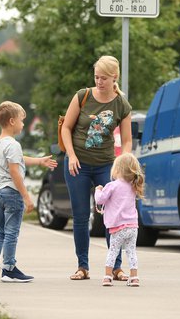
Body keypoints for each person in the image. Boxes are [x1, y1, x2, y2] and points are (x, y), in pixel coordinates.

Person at [60, 55, 133, 281]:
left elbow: (128, 140)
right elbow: (66, 128)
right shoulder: (83, 96)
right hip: (78, 164)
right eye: (96, 77)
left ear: (114, 78)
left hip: (106, 166)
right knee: (81, 216)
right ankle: (82, 266)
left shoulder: (121, 103)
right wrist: (71, 155)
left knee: (113, 216)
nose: (99, 82)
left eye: (104, 78)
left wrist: (125, 163)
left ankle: (116, 268)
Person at [0, 101, 57, 282]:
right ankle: (9, 269)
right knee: (11, 232)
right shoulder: (14, 145)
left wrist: (39, 161)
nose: (24, 124)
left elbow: (18, 160)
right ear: (12, 121)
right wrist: (26, 197)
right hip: (11, 192)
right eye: (22, 120)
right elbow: (15, 171)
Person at [94, 153, 144, 287]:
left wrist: (97, 190)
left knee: (113, 251)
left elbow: (100, 199)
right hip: (133, 227)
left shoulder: (112, 185)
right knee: (131, 251)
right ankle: (134, 278)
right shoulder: (133, 186)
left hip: (118, 226)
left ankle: (107, 277)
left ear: (117, 170)